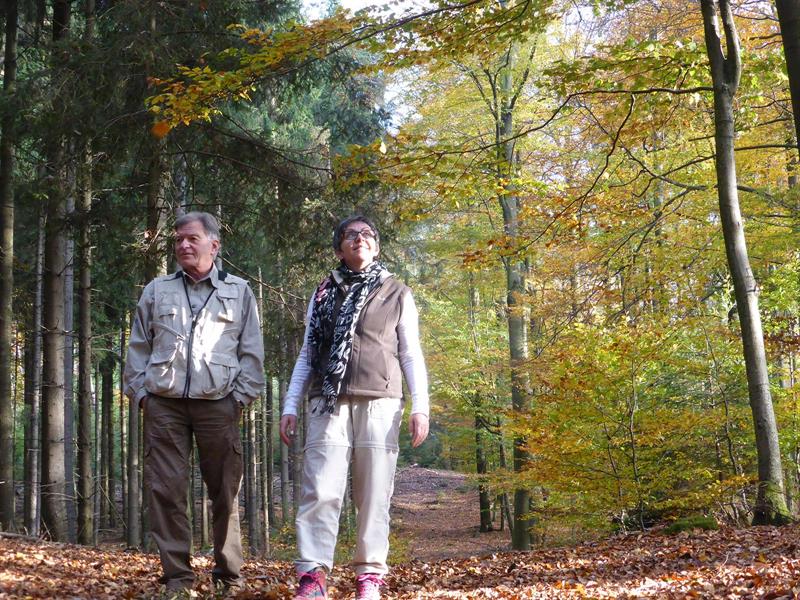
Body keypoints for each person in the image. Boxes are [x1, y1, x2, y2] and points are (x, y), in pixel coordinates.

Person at [280, 215, 430, 600]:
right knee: (321, 491)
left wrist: (421, 406)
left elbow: (410, 354)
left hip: (381, 403)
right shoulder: (324, 294)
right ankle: (313, 577)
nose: (359, 239)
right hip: (326, 404)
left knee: (374, 494)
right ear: (339, 248)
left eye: (367, 234)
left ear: (376, 246)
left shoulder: (397, 292)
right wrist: (290, 404)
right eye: (350, 234)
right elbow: (308, 354)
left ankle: (370, 577)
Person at [123, 211, 265, 593]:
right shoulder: (157, 290)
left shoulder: (239, 291)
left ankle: (228, 578)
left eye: (192, 239)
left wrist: (239, 398)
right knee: (166, 491)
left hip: (219, 404)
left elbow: (251, 352)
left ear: (214, 246)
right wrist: (141, 395)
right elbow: (138, 347)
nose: (184, 245)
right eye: (179, 240)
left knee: (226, 493)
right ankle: (178, 580)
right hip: (164, 406)